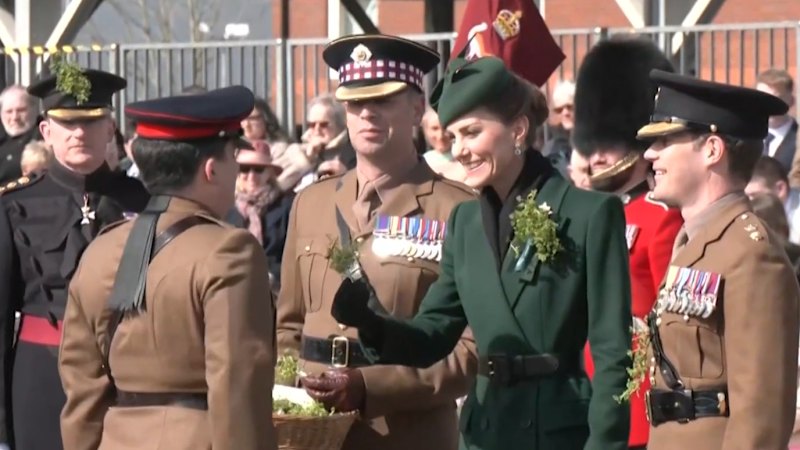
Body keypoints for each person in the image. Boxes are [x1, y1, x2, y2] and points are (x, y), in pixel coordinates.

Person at [330, 53, 633, 450]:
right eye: (452, 136)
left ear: (519, 130)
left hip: (557, 432)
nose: (460, 150)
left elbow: (613, 355)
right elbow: (432, 335)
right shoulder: (465, 224)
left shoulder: (590, 213)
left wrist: (604, 445)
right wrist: (370, 323)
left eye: (472, 132)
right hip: (484, 430)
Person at [276, 34, 478, 450]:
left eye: (383, 101)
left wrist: (372, 387)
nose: (367, 114)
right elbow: (289, 326)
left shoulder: (457, 210)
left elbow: (469, 351)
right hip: (313, 434)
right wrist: (287, 401)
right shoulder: (310, 203)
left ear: (418, 108)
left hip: (405, 433)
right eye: (354, 103)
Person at [58, 86, 277, 449]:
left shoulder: (100, 248)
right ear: (211, 170)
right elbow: (238, 386)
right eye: (233, 160)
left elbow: (81, 387)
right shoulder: (229, 250)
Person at [638, 69, 800, 449]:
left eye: (665, 141)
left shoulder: (751, 254)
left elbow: (760, 413)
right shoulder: (696, 242)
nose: (649, 153)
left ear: (712, 149)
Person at [0, 64, 148, 450]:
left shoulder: (143, 203)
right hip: (41, 374)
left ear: (109, 129)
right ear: (47, 132)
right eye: (68, 124)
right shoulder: (15, 205)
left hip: (127, 373)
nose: (80, 132)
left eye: (92, 121)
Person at [571, 37, 684, 450]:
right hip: (580, 396)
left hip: (635, 405)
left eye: (610, 142)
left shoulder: (662, 217)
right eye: (592, 142)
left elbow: (672, 325)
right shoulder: (585, 211)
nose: (596, 154)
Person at [227, 139, 294, 292]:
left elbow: (291, 254)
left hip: (277, 290)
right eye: (244, 169)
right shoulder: (225, 207)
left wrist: (271, 276)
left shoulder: (287, 206)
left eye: (258, 169)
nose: (251, 176)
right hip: (233, 288)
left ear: (269, 174)